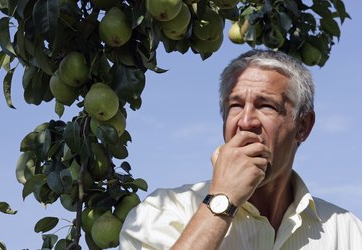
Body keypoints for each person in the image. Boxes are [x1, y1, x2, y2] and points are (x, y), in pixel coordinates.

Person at [119, 49, 362, 249]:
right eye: (235, 106)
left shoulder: (348, 232)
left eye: (266, 105)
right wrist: (222, 200)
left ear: (303, 126)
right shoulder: (162, 211)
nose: (246, 121)